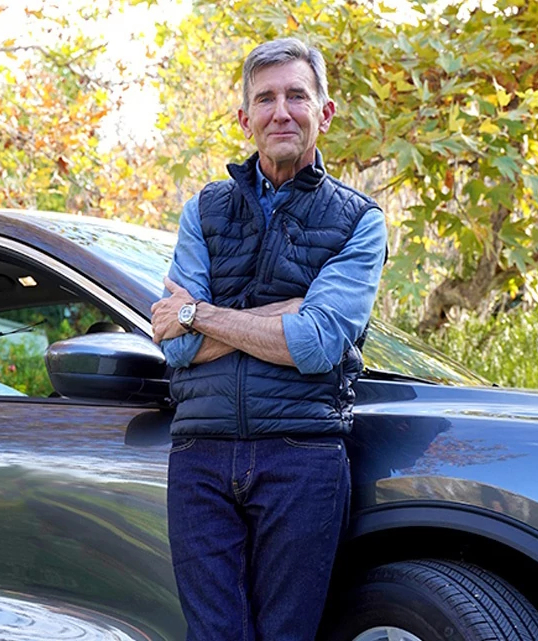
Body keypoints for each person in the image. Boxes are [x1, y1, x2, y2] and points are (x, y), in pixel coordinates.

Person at [151, 37, 387, 641]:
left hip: (302, 457)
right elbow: (173, 345)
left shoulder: (359, 221)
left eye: (296, 96)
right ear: (245, 118)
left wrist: (197, 314)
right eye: (265, 99)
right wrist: (280, 314)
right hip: (200, 457)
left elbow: (314, 346)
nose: (281, 111)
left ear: (324, 112)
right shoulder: (203, 211)